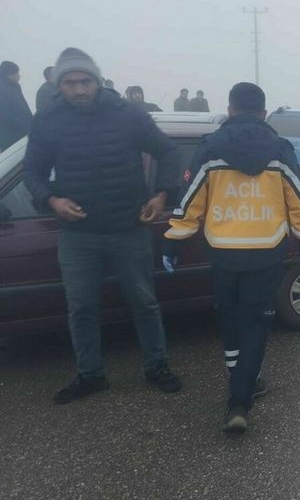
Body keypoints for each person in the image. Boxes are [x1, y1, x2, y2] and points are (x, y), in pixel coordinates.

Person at [22, 47, 183, 405]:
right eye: (70, 82)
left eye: (85, 81)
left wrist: (161, 195)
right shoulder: (47, 120)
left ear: (97, 80)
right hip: (78, 236)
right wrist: (51, 200)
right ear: (58, 85)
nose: (79, 90)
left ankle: (157, 367)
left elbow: (168, 152)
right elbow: (32, 172)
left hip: (129, 229)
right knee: (81, 308)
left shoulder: (128, 114)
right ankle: (91, 375)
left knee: (144, 303)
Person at [163, 82, 300, 433]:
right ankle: (240, 401)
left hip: (223, 254)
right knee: (256, 325)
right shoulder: (280, 151)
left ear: (230, 110)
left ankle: (239, 382)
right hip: (266, 255)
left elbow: (189, 202)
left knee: (230, 321)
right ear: (263, 113)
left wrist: (173, 243)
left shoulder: (210, 149)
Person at [0, 61, 33, 151]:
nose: (19, 75)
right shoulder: (2, 88)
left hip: (24, 133)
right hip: (11, 137)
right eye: (16, 73)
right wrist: (24, 126)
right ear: (8, 74)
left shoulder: (15, 87)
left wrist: (33, 123)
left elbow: (24, 108)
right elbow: (4, 114)